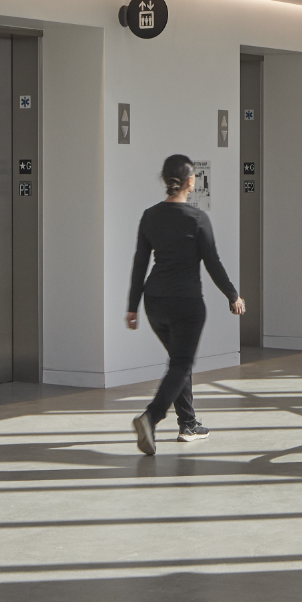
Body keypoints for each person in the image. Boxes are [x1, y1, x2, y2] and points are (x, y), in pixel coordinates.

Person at [125, 154, 243, 454]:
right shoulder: (197, 218)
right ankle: (150, 418)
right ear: (191, 181)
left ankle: (188, 423)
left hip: (155, 303)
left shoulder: (150, 216)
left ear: (166, 180)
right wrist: (233, 295)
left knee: (179, 361)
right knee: (180, 364)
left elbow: (140, 263)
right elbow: (213, 263)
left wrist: (132, 306)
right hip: (186, 303)